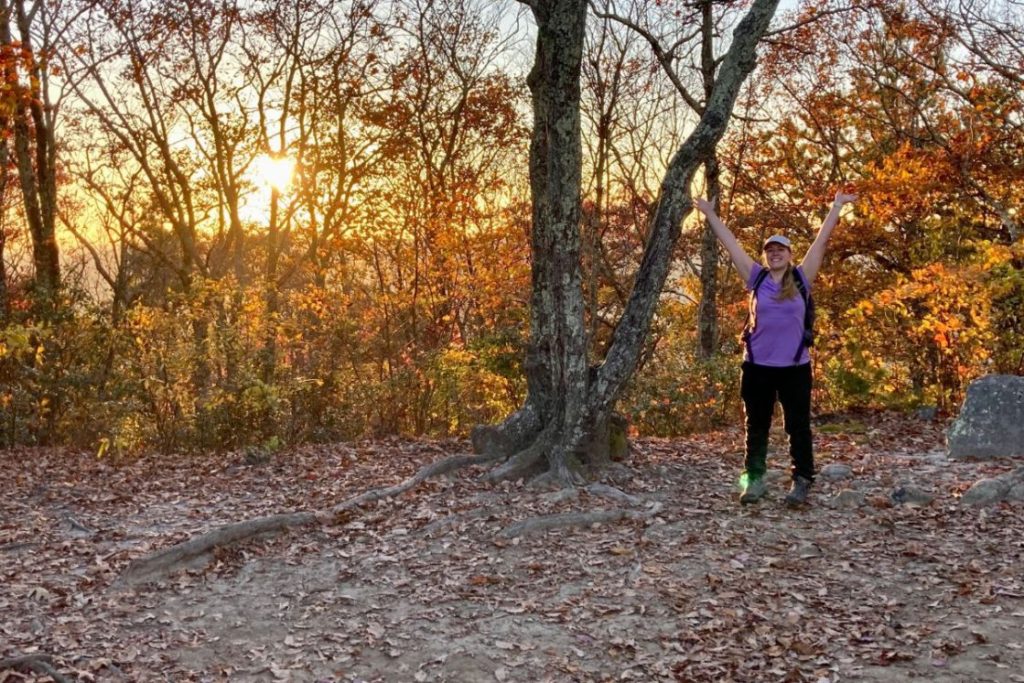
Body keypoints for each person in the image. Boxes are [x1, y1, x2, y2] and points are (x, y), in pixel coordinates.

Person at [693, 191, 857, 506]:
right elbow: (731, 245)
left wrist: (835, 206)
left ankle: (802, 481)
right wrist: (710, 214)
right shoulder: (755, 278)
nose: (774, 253)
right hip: (756, 367)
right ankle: (754, 481)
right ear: (765, 256)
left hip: (795, 367)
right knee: (756, 426)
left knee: (797, 426)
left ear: (789, 254)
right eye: (770, 250)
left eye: (780, 249)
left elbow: (821, 242)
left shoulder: (802, 278)